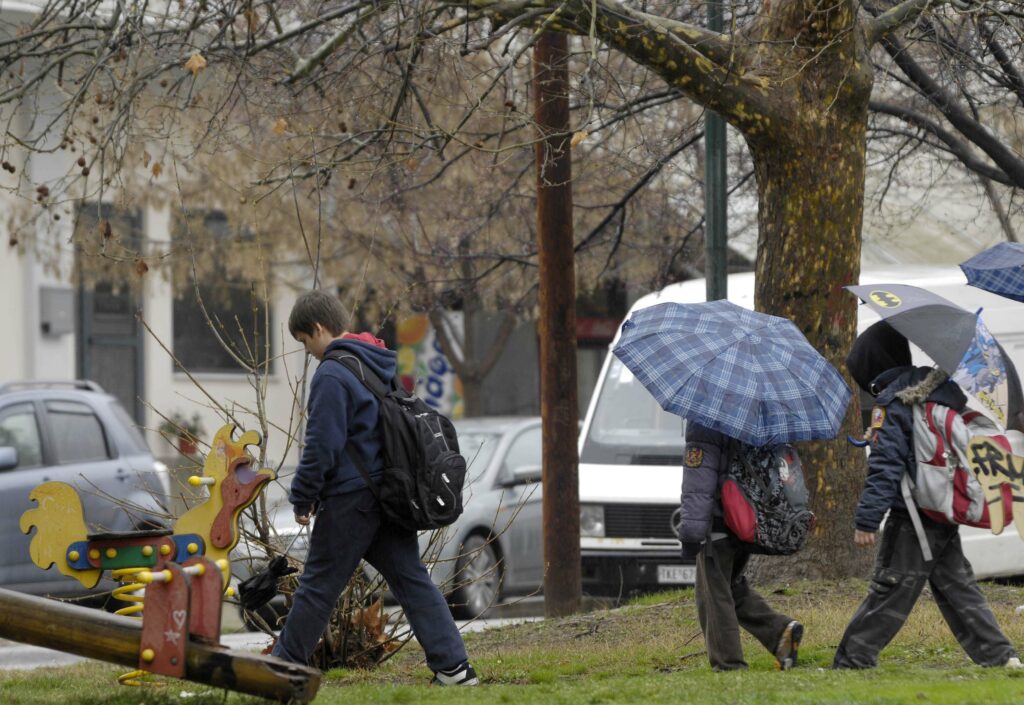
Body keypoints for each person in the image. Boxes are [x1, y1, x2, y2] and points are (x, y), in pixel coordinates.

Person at [270, 290, 478, 685]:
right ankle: (454, 669)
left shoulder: (332, 373)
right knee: (411, 580)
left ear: (317, 329)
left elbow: (322, 445)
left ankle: (280, 670)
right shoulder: (376, 360)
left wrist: (303, 495)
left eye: (304, 341)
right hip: (387, 495)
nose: (308, 351)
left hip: (352, 501)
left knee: (316, 586)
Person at [833, 320, 1020, 669]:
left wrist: (867, 520)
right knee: (958, 586)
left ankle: (853, 660)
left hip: (914, 512)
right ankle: (1000, 657)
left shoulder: (893, 403)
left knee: (892, 587)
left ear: (872, 366)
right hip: (940, 506)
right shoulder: (936, 391)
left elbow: (886, 467)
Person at [679, 423, 803, 671]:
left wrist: (691, 534)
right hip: (749, 520)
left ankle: (729, 664)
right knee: (732, 586)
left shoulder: (706, 419)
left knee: (714, 595)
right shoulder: (756, 414)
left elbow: (698, 482)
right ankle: (780, 632)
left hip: (719, 522)